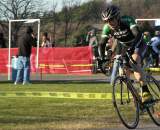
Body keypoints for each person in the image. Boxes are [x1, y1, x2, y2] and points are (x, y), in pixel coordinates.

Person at [100, 5, 152, 103]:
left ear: (117, 17)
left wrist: (132, 48)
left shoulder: (127, 20)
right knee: (123, 73)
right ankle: (136, 98)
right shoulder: (107, 27)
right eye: (106, 21)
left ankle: (146, 91)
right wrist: (102, 59)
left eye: (111, 19)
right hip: (125, 46)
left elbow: (138, 35)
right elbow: (102, 43)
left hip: (138, 43)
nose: (109, 23)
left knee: (134, 61)